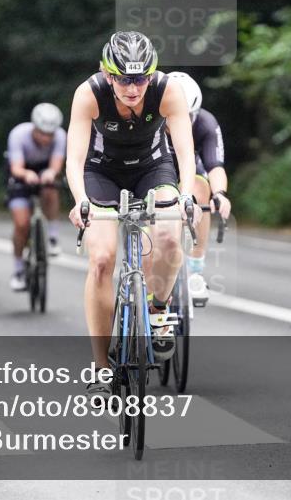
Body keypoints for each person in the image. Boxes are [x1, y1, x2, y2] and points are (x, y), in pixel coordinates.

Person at [65, 31, 200, 401]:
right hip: (101, 172)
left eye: (140, 79)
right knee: (103, 259)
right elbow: (74, 160)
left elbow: (185, 154)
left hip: (153, 169)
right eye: (124, 78)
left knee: (171, 235)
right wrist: (80, 200)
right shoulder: (88, 93)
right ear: (108, 74)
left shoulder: (167, 90)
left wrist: (186, 196)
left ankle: (158, 310)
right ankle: (100, 367)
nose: (133, 87)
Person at [166, 72, 232, 305]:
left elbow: (214, 165)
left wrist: (220, 194)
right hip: (155, 171)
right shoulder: (149, 119)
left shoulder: (205, 123)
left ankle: (195, 270)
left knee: (202, 193)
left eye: (189, 115)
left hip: (191, 170)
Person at [6, 103, 67, 291]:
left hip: (44, 169)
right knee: (21, 224)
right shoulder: (18, 134)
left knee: (50, 189)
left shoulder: (60, 136)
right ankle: (18, 270)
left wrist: (51, 173)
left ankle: (53, 237)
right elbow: (16, 167)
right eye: (42, 133)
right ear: (34, 127)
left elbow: (56, 164)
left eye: (50, 134)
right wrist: (25, 175)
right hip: (20, 172)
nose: (46, 138)